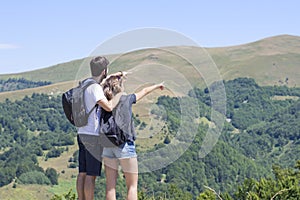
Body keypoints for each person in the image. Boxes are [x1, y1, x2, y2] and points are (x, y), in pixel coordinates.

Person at [101, 75, 164, 200]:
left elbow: (102, 82)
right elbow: (144, 91)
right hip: (125, 145)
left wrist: (113, 76)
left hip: (108, 145)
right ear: (120, 88)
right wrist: (157, 85)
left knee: (110, 187)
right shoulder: (128, 99)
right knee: (132, 186)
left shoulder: (104, 102)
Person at [76, 56, 124, 200]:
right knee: (91, 175)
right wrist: (119, 94)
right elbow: (108, 107)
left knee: (82, 172)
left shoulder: (84, 84)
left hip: (81, 132)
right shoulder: (96, 88)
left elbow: (100, 80)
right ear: (104, 70)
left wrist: (113, 75)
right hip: (93, 135)